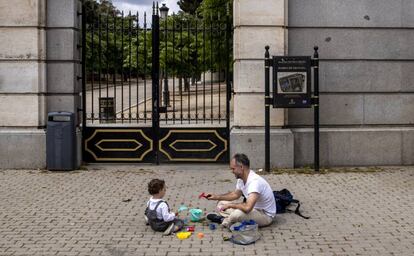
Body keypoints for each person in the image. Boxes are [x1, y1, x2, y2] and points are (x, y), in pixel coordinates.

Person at [206, 153, 276, 228]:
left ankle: (224, 220)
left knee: (236, 214)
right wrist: (216, 197)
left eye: (233, 169)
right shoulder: (241, 179)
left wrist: (230, 205)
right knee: (221, 204)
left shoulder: (254, 182)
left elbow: (247, 208)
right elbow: (235, 195)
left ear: (241, 167)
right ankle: (231, 219)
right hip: (253, 209)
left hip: (264, 215)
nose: (232, 171)